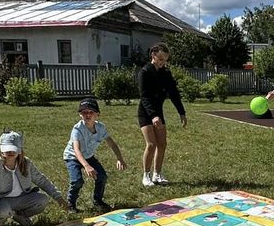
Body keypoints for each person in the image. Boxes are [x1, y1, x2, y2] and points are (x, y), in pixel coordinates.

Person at [0, 130, 64, 226]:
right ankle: (0, 224)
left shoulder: (27, 163)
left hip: (22, 198)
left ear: (20, 150)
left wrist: (58, 197)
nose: (10, 152)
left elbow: (41, 180)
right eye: (7, 149)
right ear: (0, 150)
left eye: (14, 149)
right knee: (3, 210)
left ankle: (19, 215)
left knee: (42, 200)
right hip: (3, 201)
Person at [137, 42, 187, 187]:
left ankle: (157, 174)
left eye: (165, 60)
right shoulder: (144, 72)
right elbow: (144, 97)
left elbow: (174, 94)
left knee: (162, 144)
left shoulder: (166, 73)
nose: (163, 62)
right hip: (146, 112)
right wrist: (153, 116)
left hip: (158, 112)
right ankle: (146, 175)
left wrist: (182, 112)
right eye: (161, 59)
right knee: (151, 144)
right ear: (153, 56)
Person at [64, 97, 126, 212]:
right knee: (77, 181)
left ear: (97, 114)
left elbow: (112, 144)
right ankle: (70, 204)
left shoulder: (101, 127)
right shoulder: (77, 129)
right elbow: (76, 150)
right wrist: (86, 166)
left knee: (102, 176)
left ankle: (98, 200)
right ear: (80, 115)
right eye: (84, 112)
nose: (88, 114)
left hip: (88, 156)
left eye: (91, 112)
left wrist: (119, 158)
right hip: (73, 157)